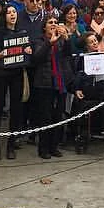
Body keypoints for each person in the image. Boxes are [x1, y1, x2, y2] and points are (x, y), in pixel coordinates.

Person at [0, 4, 32, 160]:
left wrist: (27, 51)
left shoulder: (22, 32)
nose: (12, 14)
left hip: (17, 73)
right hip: (0, 74)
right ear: (4, 16)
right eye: (9, 12)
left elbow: (27, 51)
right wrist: (4, 53)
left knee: (16, 109)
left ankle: (11, 145)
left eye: (14, 12)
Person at [31, 16, 73, 159]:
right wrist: (49, 43)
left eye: (56, 22)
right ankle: (44, 148)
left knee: (58, 116)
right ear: (44, 27)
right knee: (45, 117)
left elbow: (69, 54)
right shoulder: (39, 41)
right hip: (44, 83)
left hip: (59, 82)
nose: (54, 24)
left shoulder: (61, 40)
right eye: (50, 23)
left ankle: (54, 146)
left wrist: (66, 39)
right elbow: (37, 58)